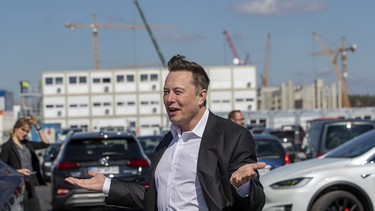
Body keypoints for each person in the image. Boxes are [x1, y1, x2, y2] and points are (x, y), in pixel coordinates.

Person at [66, 55, 266, 211]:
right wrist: (107, 185)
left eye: (178, 92)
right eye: (165, 91)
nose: (169, 99)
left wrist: (242, 187)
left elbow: (255, 203)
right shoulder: (167, 141)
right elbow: (152, 197)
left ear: (201, 96)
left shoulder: (233, 136)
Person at [0, 115, 50, 211]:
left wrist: (37, 126)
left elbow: (46, 143)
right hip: (15, 186)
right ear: (16, 128)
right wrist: (18, 171)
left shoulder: (28, 144)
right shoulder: (7, 147)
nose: (25, 133)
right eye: (23, 130)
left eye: (27, 131)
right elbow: (2, 168)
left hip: (29, 184)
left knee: (35, 208)